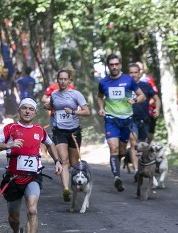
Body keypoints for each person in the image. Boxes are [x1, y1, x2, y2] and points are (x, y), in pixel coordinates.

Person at [0, 97, 63, 233]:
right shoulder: (10, 128)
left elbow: (50, 145)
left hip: (33, 176)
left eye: (31, 109)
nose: (28, 111)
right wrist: (9, 145)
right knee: (13, 217)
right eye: (24, 108)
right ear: (19, 111)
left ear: (36, 113)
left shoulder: (39, 130)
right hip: (13, 178)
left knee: (32, 209)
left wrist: (57, 160)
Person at [96, 54, 145, 192]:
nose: (114, 67)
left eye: (116, 64)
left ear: (120, 65)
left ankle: (119, 162)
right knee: (113, 148)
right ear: (108, 66)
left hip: (126, 120)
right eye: (111, 65)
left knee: (122, 151)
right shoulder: (103, 82)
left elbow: (142, 95)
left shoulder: (128, 80)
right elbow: (99, 97)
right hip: (111, 119)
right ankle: (117, 177)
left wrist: (134, 100)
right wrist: (101, 108)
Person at [42, 68, 89, 202]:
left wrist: (73, 112)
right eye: (60, 79)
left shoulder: (76, 94)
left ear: (69, 80)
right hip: (59, 131)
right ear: (57, 80)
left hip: (74, 131)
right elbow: (52, 106)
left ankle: (74, 183)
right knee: (64, 160)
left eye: (65, 79)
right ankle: (66, 189)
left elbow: (87, 112)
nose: (62, 81)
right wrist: (48, 107)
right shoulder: (55, 94)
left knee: (74, 163)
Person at [128, 63, 161, 146]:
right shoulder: (124, 87)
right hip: (130, 119)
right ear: (128, 74)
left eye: (135, 72)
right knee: (133, 141)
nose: (133, 75)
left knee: (143, 145)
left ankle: (140, 158)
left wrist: (157, 109)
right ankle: (133, 157)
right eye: (131, 73)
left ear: (139, 73)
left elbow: (156, 99)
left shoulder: (146, 86)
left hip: (144, 119)